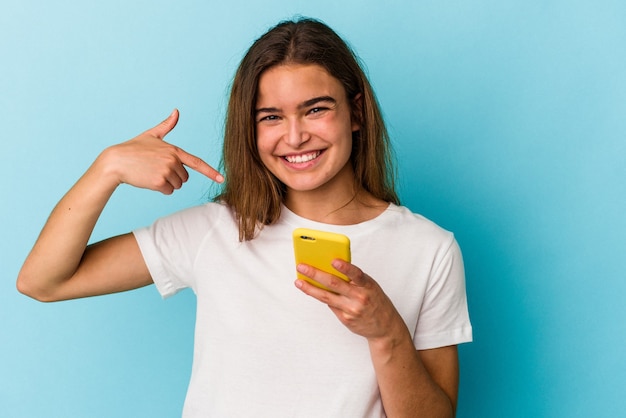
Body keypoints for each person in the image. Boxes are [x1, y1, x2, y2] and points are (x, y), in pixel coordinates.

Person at [17, 17, 472, 417]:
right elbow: (42, 281)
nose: (295, 136)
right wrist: (108, 168)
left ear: (355, 113)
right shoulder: (213, 230)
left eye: (316, 109)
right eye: (271, 117)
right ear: (249, 129)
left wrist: (387, 332)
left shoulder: (429, 249)